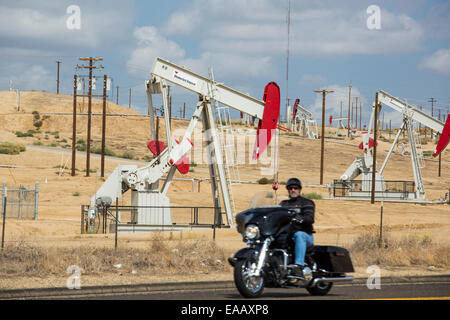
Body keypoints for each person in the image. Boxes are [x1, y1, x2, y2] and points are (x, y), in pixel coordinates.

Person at [279, 177, 315, 278]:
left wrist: (301, 218)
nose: (293, 190)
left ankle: (298, 266)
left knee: (299, 235)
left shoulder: (307, 202)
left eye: (295, 188)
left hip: (305, 235)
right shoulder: (283, 204)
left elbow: (310, 217)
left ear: (299, 189)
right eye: (290, 188)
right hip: (287, 236)